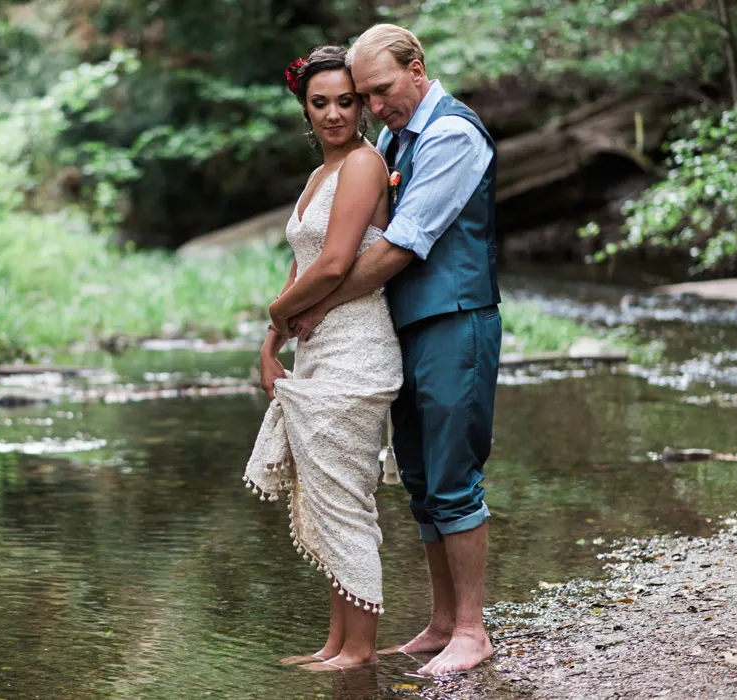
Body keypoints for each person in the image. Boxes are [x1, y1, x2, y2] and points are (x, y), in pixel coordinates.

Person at [287, 23, 502, 676]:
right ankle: (440, 623)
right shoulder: (394, 137)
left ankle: (471, 630)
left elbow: (400, 247)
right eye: (366, 96)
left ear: (418, 68)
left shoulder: (452, 135)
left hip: (455, 320)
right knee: (417, 476)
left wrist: (311, 304)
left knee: (454, 475)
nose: (375, 107)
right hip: (406, 327)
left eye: (381, 91)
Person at [241, 44, 401, 673]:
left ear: (362, 103)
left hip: (356, 348)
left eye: (346, 101)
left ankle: (359, 652)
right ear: (304, 109)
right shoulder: (321, 174)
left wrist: (277, 317)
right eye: (320, 103)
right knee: (323, 498)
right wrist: (270, 346)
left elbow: (337, 265)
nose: (334, 114)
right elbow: (304, 262)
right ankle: (337, 643)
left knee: (343, 503)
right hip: (318, 348)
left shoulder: (363, 165)